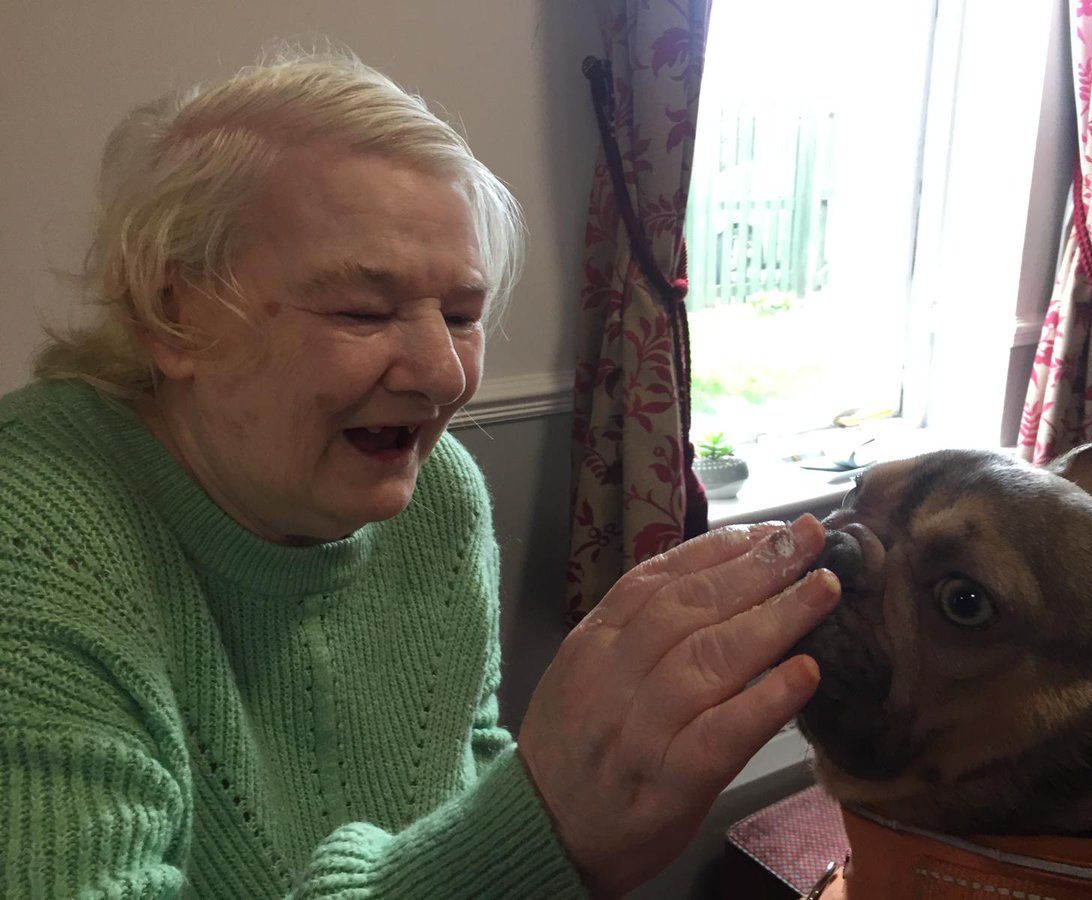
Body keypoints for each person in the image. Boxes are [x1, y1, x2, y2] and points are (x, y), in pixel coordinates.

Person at [0, 49, 840, 898]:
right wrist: (540, 831)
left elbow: (460, 777)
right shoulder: (35, 530)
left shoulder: (437, 498)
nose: (443, 374)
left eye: (463, 314)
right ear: (171, 315)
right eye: (362, 311)